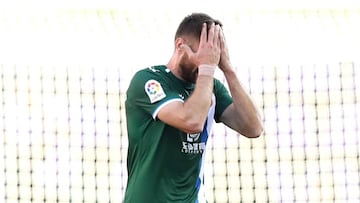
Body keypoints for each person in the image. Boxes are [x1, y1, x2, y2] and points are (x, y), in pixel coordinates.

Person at [124, 12, 263, 203]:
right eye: (202, 54)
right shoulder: (149, 80)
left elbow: (253, 128)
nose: (208, 61)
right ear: (180, 46)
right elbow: (191, 120)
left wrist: (228, 68)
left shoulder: (210, 87)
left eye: (213, 55)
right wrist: (206, 68)